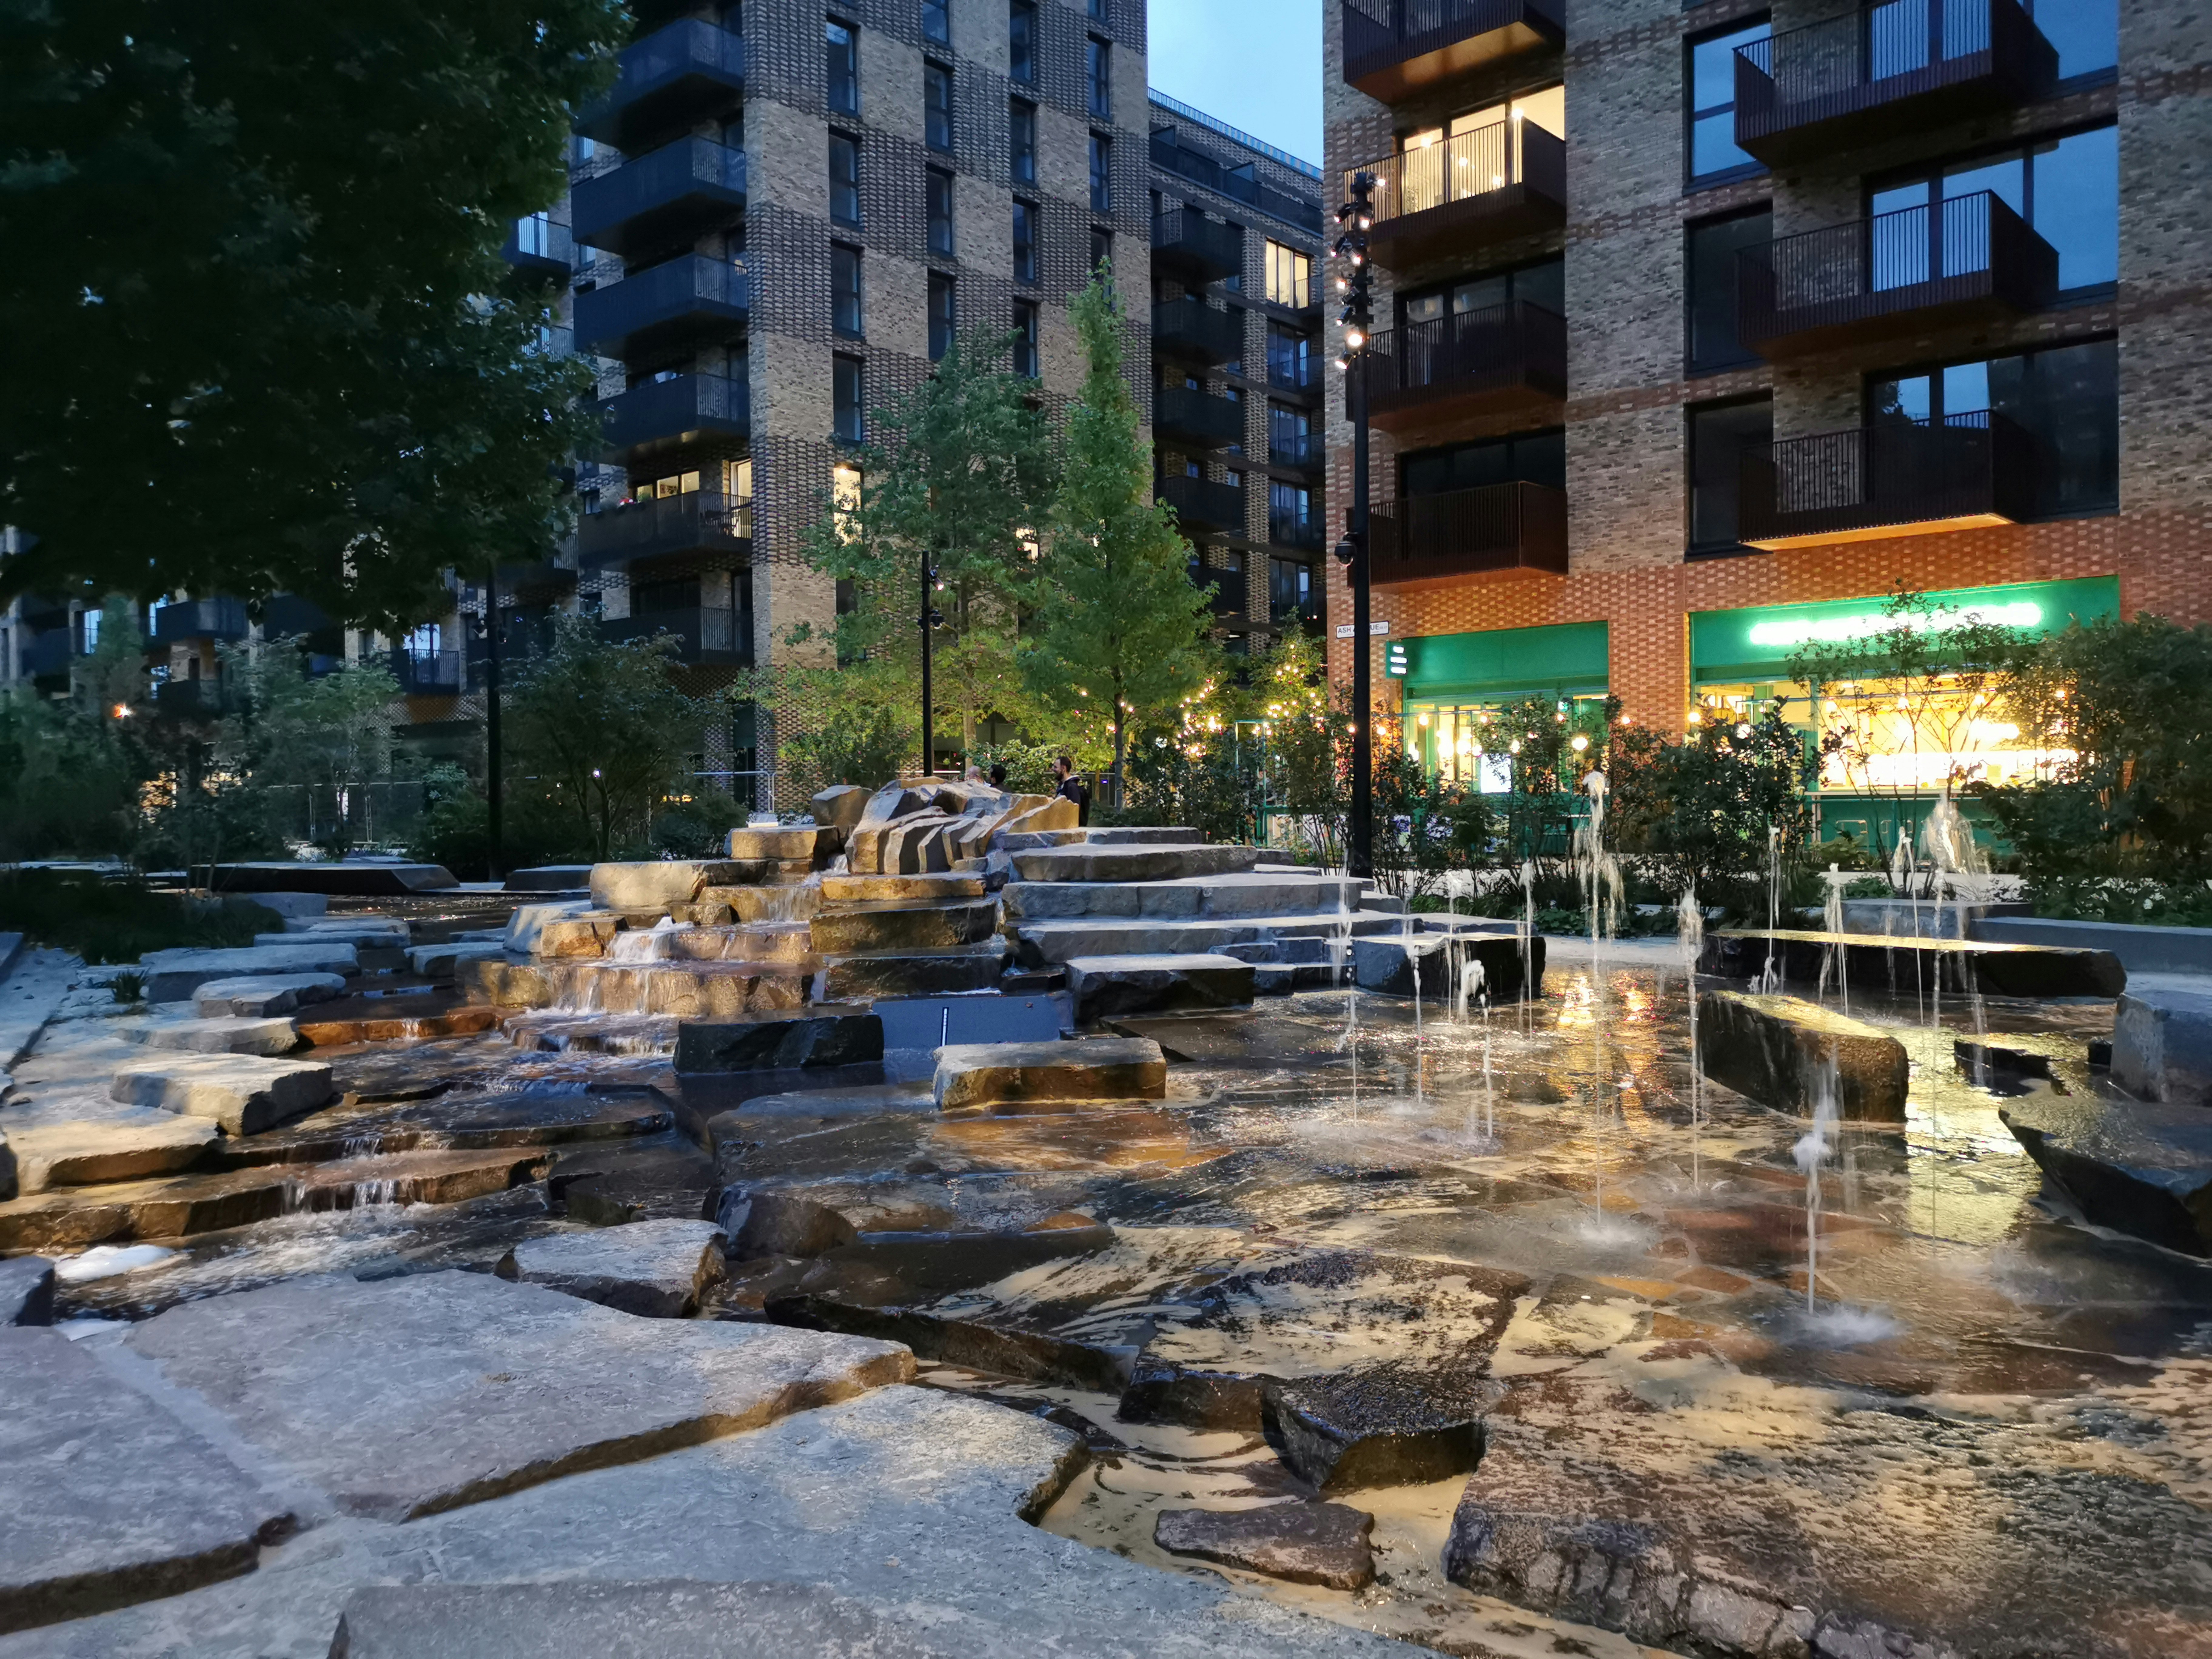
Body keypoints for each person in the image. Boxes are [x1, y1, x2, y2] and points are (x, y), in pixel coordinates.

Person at [1052, 754, 1090, 827]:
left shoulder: (1072, 787)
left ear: (1064, 768)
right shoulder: (1064, 786)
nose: (1054, 770)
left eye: (1056, 767)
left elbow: (1074, 812)